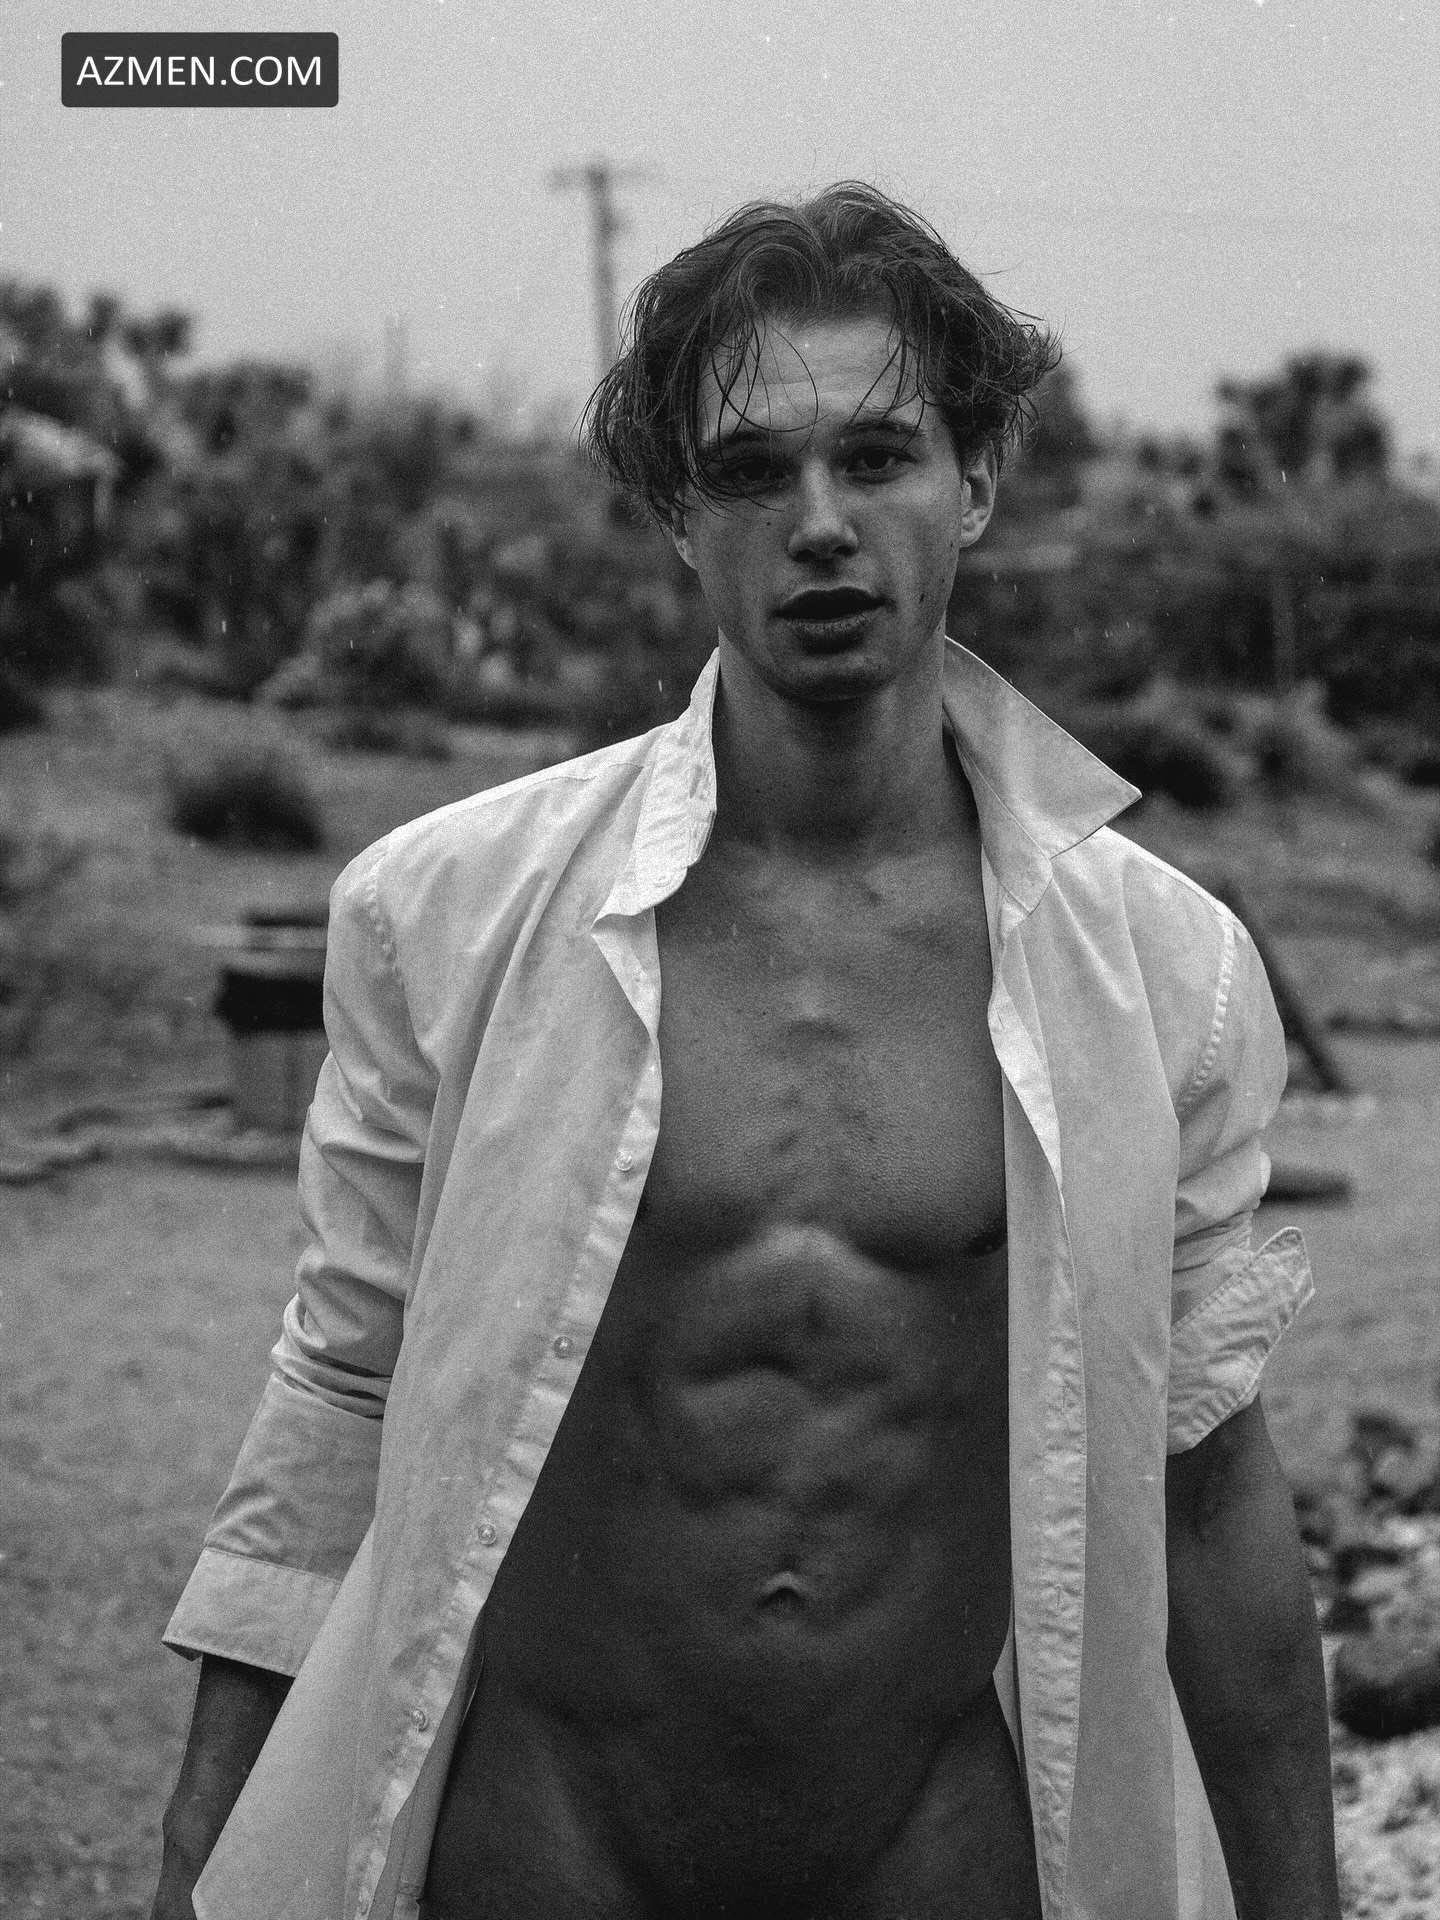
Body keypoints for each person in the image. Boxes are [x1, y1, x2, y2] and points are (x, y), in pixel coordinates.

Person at [153, 184, 1340, 1920]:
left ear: (977, 483)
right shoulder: (451, 915)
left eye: (880, 456)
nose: (823, 524)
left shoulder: (1161, 975)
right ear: (675, 518)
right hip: (550, 1841)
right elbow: (343, 1385)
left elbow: (1212, 1486)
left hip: (929, 1845)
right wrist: (203, 1839)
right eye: (752, 472)